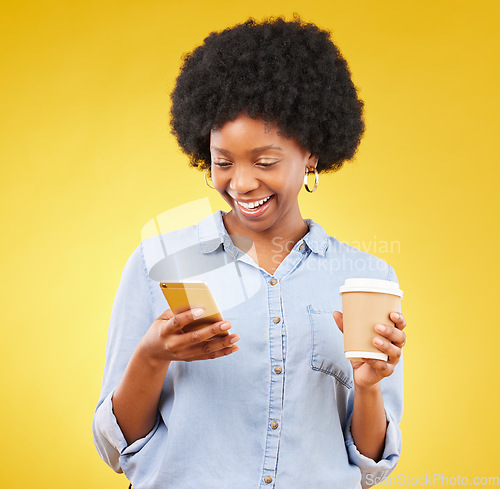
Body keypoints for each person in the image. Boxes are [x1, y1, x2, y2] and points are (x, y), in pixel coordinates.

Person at [93, 16, 407, 489]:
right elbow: (119, 448)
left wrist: (367, 386)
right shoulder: (160, 261)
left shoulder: (364, 277)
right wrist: (153, 356)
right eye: (222, 162)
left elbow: (371, 467)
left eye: (265, 162)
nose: (240, 184)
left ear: (312, 154)